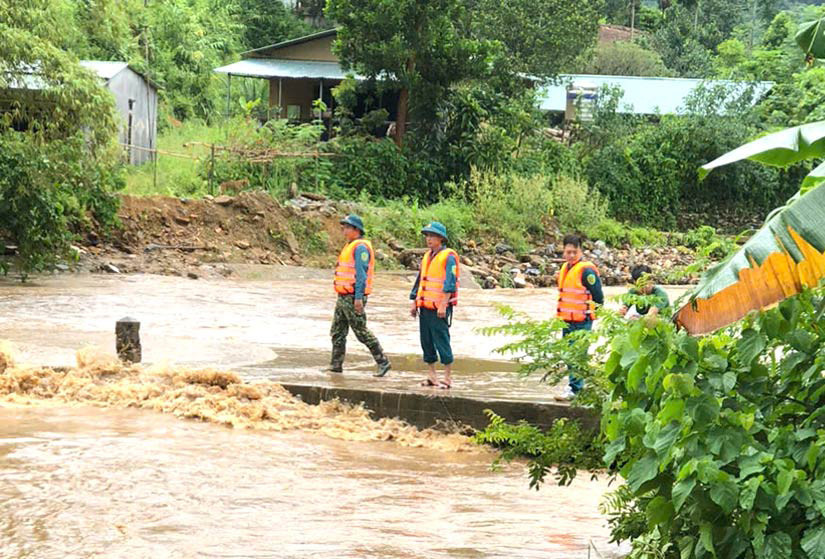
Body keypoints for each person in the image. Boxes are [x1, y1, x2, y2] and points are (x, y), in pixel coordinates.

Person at [328, 215, 391, 377]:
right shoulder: (350, 245)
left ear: (356, 230)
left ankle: (382, 361)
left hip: (352, 296)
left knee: (361, 331)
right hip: (343, 295)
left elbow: (361, 275)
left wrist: (358, 298)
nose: (344, 230)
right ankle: (336, 365)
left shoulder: (360, 247)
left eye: (347, 227)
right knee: (337, 331)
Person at [410, 221, 459, 389]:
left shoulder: (448, 257)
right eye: (427, 236)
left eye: (432, 236)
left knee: (442, 339)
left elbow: (450, 282)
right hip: (425, 306)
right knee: (426, 340)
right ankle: (432, 376)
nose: (429, 239)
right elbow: (419, 281)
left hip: (439, 307)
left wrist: (443, 304)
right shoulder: (427, 256)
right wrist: (414, 302)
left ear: (441, 238)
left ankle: (447, 378)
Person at [555, 234, 603, 401]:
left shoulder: (586, 271)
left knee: (577, 355)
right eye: (568, 252)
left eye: (574, 252)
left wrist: (597, 313)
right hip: (566, 320)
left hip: (582, 320)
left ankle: (576, 389)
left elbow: (598, 295)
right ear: (563, 252)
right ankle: (575, 386)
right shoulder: (565, 268)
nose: (571, 255)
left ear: (580, 251)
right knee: (568, 355)